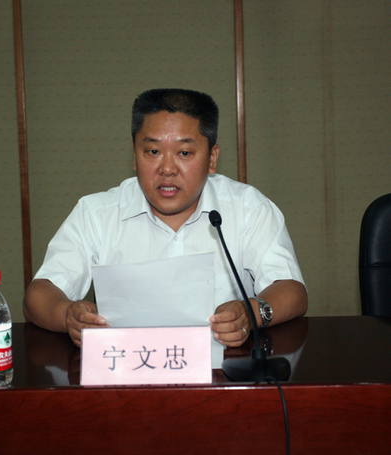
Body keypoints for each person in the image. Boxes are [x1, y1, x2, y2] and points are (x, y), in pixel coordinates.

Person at [23, 88, 307, 349]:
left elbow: (292, 290)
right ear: (135, 155)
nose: (167, 169)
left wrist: (251, 313)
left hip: (226, 372)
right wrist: (68, 316)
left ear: (211, 158)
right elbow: (38, 296)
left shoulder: (248, 208)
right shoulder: (97, 213)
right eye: (153, 152)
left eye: (184, 152)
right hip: (127, 372)